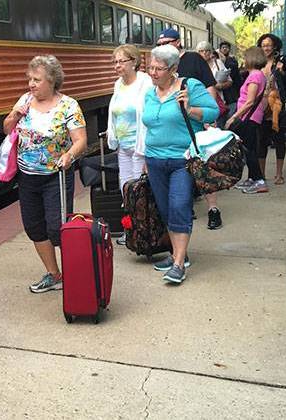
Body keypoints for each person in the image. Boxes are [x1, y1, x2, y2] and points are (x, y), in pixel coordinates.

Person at [2, 55, 87, 293]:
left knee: (57, 228)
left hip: (55, 176)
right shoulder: (25, 100)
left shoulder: (68, 105)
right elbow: (7, 129)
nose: (31, 84)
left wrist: (69, 155)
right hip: (27, 176)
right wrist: (15, 115)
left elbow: (80, 141)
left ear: (52, 80)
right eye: (29, 78)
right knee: (34, 227)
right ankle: (55, 274)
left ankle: (75, 273)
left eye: (36, 79)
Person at [142, 45, 219, 283]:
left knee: (179, 206)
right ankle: (179, 254)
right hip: (154, 159)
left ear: (173, 69)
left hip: (181, 159)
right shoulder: (150, 93)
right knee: (165, 209)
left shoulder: (190, 87)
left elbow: (213, 112)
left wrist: (190, 109)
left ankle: (178, 265)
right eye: (150, 67)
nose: (153, 73)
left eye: (158, 68)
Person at [156, 28, 223, 231]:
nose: (161, 47)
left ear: (177, 42)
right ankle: (186, 208)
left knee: (204, 166)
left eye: (166, 42)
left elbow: (210, 86)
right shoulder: (160, 64)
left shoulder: (193, 59)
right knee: (183, 168)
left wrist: (207, 117)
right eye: (159, 44)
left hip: (196, 121)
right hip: (176, 128)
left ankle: (213, 210)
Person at [106, 44, 153, 246]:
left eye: (121, 61)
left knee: (139, 190)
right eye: (115, 61)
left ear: (134, 61)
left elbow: (149, 116)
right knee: (125, 190)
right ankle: (131, 230)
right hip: (123, 146)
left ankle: (144, 232)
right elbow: (113, 114)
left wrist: (147, 151)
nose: (117, 65)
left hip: (139, 146)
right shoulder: (118, 84)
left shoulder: (145, 83)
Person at [257, 33, 286, 185]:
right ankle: (261, 175)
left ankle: (279, 174)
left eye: (268, 45)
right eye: (263, 45)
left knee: (279, 139)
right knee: (261, 140)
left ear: (275, 46)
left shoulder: (282, 60)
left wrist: (282, 72)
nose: (266, 48)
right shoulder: (259, 62)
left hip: (278, 105)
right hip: (261, 106)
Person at [226, 47, 269, 194]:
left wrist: (234, 117)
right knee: (248, 148)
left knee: (248, 150)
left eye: (246, 57)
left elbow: (249, 101)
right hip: (251, 116)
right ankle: (252, 179)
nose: (244, 60)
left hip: (248, 117)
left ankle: (259, 181)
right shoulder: (257, 75)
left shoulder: (255, 76)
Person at [197, 41, 232, 127]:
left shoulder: (218, 63)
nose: (204, 53)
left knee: (217, 129)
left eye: (207, 50)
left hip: (218, 103)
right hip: (201, 104)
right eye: (201, 51)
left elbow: (230, 81)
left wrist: (220, 86)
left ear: (211, 52)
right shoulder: (195, 65)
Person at [218, 41, 243, 123]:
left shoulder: (232, 61)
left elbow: (233, 73)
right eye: (223, 47)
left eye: (226, 47)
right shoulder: (217, 61)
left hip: (231, 94)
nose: (224, 49)